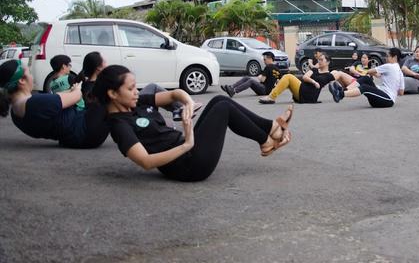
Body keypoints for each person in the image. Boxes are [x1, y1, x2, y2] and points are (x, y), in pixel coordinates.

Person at [93, 65, 293, 182]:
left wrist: (187, 102)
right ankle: (269, 135)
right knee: (222, 107)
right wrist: (187, 144)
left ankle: (268, 133)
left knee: (219, 101)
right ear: (113, 94)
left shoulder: (135, 103)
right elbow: (146, 162)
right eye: (131, 88)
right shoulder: (119, 126)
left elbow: (174, 94)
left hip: (188, 147)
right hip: (190, 166)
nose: (137, 92)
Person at [0, 60, 108, 148]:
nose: (32, 77)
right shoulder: (34, 103)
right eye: (30, 73)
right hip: (86, 131)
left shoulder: (15, 111)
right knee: (110, 90)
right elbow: (77, 96)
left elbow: (55, 98)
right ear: (22, 80)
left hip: (70, 139)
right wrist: (77, 88)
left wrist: (71, 91)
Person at [328, 48, 404, 108]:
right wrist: (391, 88)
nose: (386, 58)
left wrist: (387, 90)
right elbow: (401, 92)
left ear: (395, 57)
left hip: (387, 99)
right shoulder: (399, 71)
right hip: (384, 98)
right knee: (366, 79)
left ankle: (341, 94)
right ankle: (343, 90)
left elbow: (370, 71)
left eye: (388, 56)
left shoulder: (389, 66)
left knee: (365, 87)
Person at [259, 53, 335, 104]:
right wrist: (314, 82)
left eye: (322, 60)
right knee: (287, 77)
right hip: (303, 90)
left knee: (288, 77)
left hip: (309, 96)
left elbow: (339, 78)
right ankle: (271, 96)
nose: (319, 61)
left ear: (328, 62)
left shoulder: (329, 75)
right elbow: (305, 77)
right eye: (319, 60)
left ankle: (271, 97)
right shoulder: (315, 70)